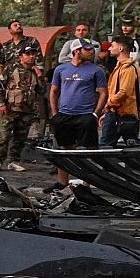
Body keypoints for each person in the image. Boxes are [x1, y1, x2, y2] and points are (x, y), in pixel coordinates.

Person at [48, 38, 108, 186]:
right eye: (87, 49)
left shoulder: (96, 70)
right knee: (64, 149)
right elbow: (54, 91)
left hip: (86, 114)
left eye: (92, 49)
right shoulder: (61, 69)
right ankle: (62, 183)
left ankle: (87, 184)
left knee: (89, 150)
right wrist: (55, 113)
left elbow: (103, 93)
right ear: (76, 51)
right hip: (65, 114)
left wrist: (96, 114)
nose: (92, 52)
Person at [0, 46, 42, 172]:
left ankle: (13, 161)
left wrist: (40, 76)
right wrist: (0, 103)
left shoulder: (34, 72)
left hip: (27, 109)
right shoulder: (11, 69)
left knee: (20, 137)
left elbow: (41, 90)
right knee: (4, 136)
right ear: (21, 56)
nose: (31, 56)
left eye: (33, 54)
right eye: (28, 54)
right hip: (10, 108)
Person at [100, 36, 140, 147]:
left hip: (123, 113)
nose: (109, 49)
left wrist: (109, 104)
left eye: (112, 46)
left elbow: (124, 92)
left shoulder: (128, 67)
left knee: (106, 146)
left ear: (120, 48)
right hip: (116, 112)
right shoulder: (121, 66)